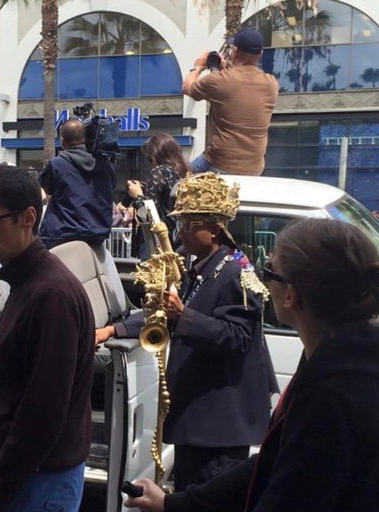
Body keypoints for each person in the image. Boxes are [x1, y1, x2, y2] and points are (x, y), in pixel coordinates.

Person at [125, 218, 379, 512]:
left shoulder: (334, 392)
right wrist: (174, 503)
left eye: (270, 270)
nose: (263, 279)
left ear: (291, 295)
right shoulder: (345, 358)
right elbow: (273, 461)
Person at [98, 172, 277, 491]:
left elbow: (238, 337)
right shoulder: (204, 268)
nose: (182, 231)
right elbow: (164, 313)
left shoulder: (236, 272)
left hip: (218, 427)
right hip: (199, 418)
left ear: (214, 229)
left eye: (190, 224)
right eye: (182, 223)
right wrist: (115, 328)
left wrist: (184, 315)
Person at [0, 166, 94, 512]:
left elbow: (43, 415)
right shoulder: (31, 283)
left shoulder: (50, 294)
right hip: (34, 476)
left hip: (37, 481)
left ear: (28, 217)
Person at [182, 28, 278, 176]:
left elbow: (187, 87)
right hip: (254, 168)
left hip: (218, 163)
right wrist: (225, 70)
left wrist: (199, 66)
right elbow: (240, 91)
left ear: (235, 51)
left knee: (179, 177)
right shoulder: (271, 84)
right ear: (260, 54)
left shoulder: (218, 81)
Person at [38, 118, 115, 249]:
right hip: (97, 237)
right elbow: (112, 186)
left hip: (61, 236)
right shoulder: (105, 164)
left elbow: (45, 188)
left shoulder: (57, 164)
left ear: (63, 141)